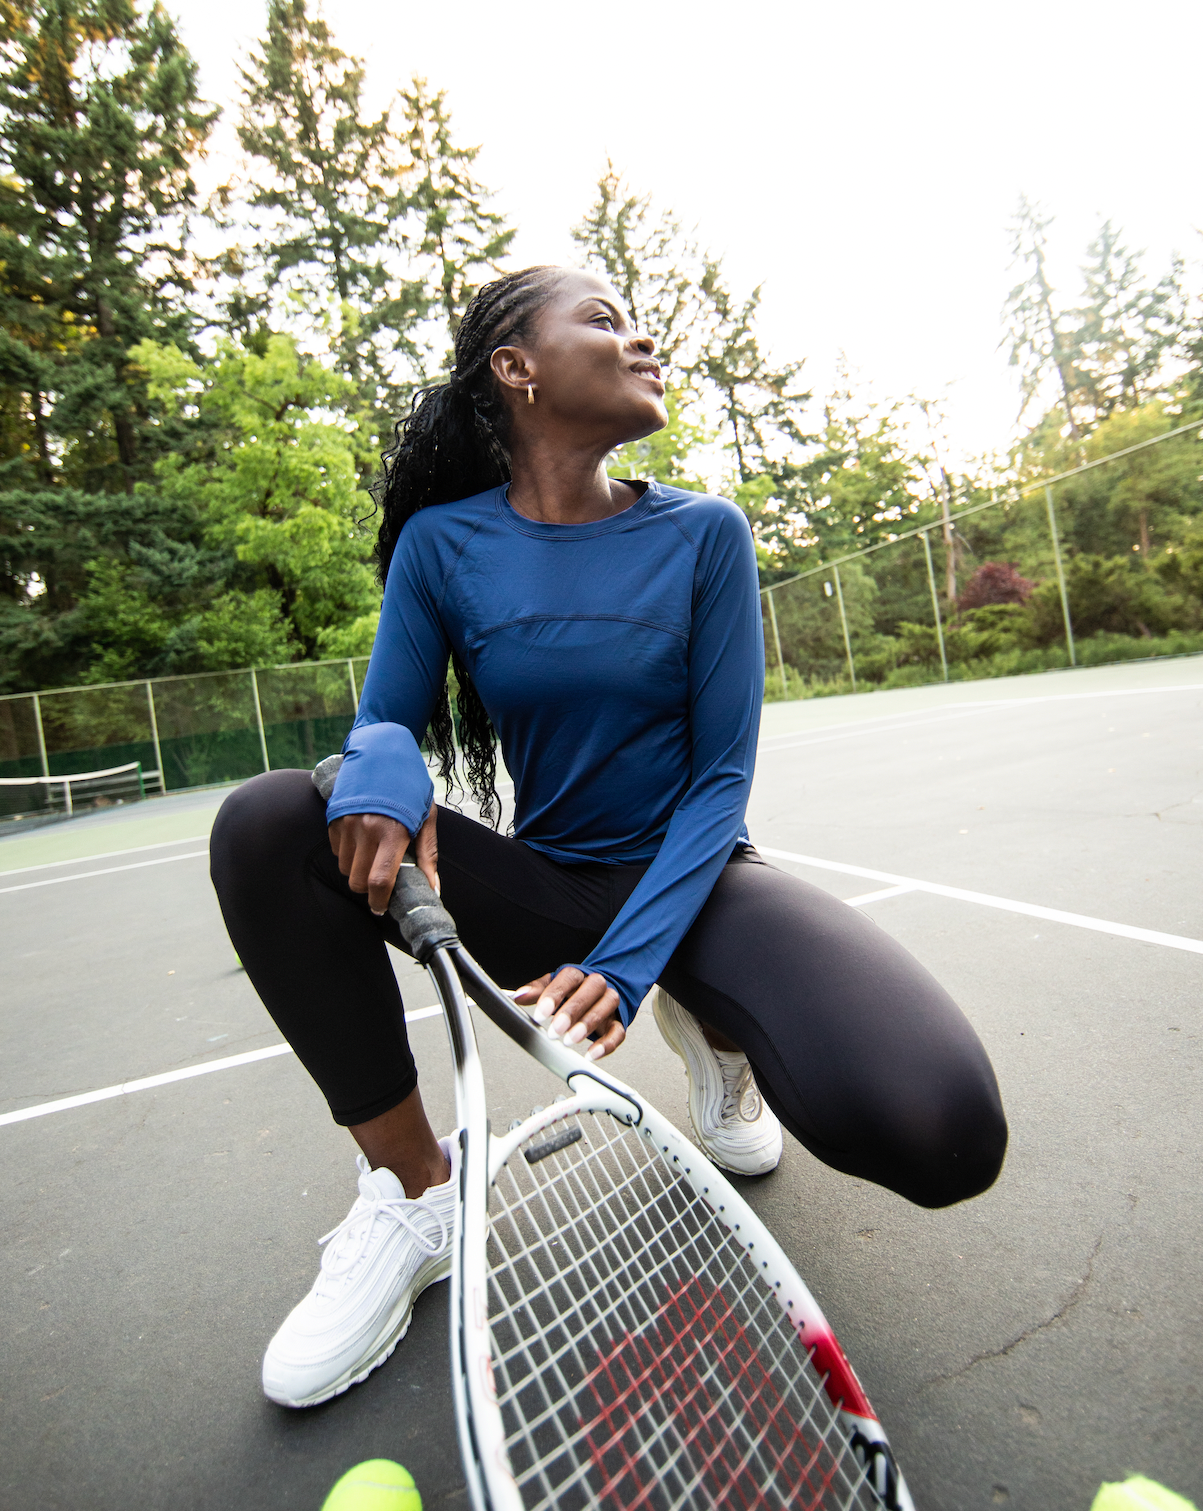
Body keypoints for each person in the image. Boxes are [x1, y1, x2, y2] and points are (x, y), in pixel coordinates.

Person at [209, 265, 1007, 1411]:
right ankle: (415, 1191)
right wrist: (379, 755)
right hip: (548, 884)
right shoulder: (443, 547)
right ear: (516, 368)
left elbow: (722, 778)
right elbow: (386, 713)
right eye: (605, 321)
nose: (642, 342)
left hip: (701, 884)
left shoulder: (705, 533)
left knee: (943, 1127)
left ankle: (717, 1042)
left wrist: (631, 966)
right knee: (270, 822)